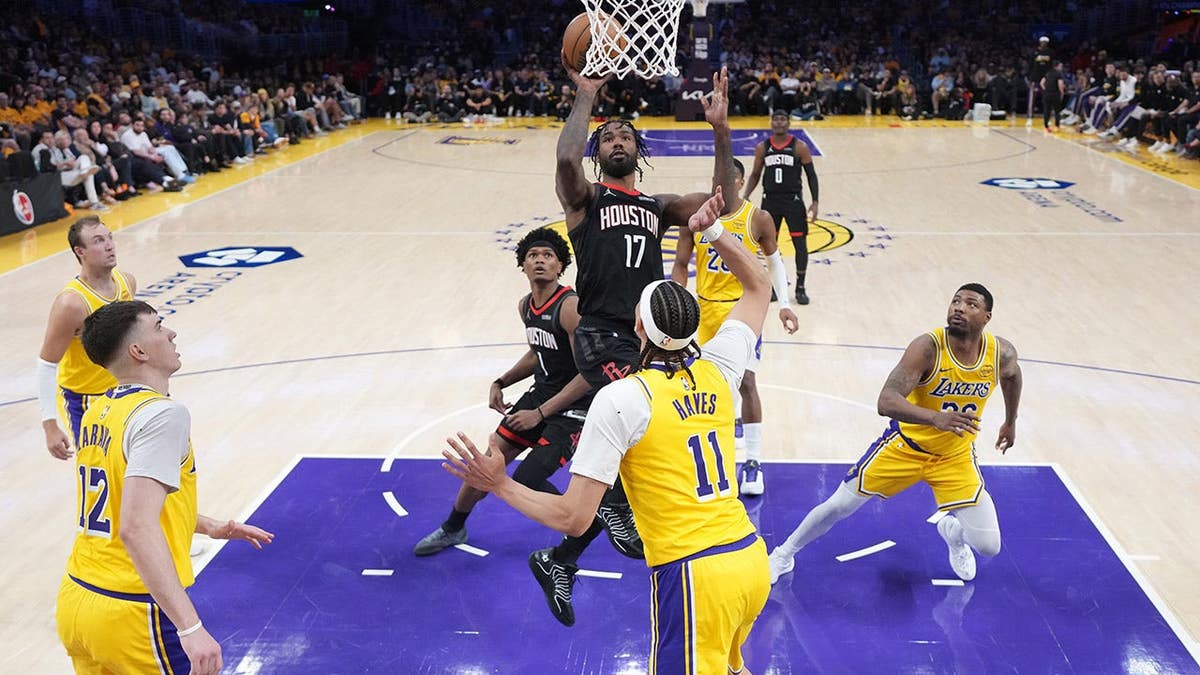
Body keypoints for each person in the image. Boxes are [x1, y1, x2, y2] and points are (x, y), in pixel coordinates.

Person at [444, 185, 772, 674]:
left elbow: (573, 518)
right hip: (750, 560)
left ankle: (566, 556)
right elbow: (759, 286)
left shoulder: (622, 399)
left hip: (694, 573)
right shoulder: (721, 368)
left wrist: (501, 483)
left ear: (638, 326)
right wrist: (716, 231)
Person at [413, 228, 642, 626]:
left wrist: (540, 414)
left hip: (575, 404)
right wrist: (503, 380)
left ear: (560, 265)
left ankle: (583, 519)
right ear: (522, 264)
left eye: (548, 255)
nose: (540, 259)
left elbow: (590, 373)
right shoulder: (527, 306)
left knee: (531, 478)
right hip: (541, 395)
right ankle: (454, 527)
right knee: (488, 460)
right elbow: (541, 353)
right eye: (533, 254)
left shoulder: (570, 307)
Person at [56, 300, 274, 675]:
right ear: (137, 351)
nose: (171, 333)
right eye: (159, 327)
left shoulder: (98, 411)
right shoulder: (162, 414)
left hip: (78, 599)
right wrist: (190, 627)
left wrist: (208, 526)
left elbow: (120, 505)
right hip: (133, 610)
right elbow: (136, 526)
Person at [767, 284, 1022, 584]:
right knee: (838, 505)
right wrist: (935, 418)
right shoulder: (928, 348)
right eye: (955, 301)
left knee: (989, 546)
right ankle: (783, 555)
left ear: (987, 317)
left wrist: (1010, 421)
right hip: (905, 447)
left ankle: (954, 534)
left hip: (954, 456)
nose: (959, 308)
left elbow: (1013, 375)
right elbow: (886, 401)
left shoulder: (1000, 353)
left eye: (970, 304)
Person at [671, 157, 798, 496]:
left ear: (740, 183)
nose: (723, 188)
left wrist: (784, 305)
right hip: (703, 311)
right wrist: (675, 298)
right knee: (702, 386)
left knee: (746, 382)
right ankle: (711, 456)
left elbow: (775, 263)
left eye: (730, 182)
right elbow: (681, 264)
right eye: (718, 183)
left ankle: (753, 461)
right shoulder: (695, 217)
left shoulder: (758, 218)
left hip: (744, 309)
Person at [37, 217, 138, 459]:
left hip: (126, 391)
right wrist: (49, 425)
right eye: (98, 241)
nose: (109, 245)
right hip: (87, 400)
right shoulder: (70, 304)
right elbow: (47, 365)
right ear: (79, 252)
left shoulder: (127, 282)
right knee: (98, 476)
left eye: (110, 237)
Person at [741, 109, 820, 305]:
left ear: (788, 123)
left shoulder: (799, 147)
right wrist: (746, 195)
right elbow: (755, 174)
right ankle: (775, 286)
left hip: (793, 202)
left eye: (782, 119)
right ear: (771, 123)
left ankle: (800, 287)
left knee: (800, 246)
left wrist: (815, 201)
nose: (779, 122)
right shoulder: (763, 147)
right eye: (775, 119)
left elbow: (811, 175)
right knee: (770, 247)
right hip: (770, 203)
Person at [1041, 61, 1066, 131]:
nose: (1061, 68)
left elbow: (1042, 83)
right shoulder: (1058, 74)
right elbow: (1060, 84)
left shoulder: (1048, 73)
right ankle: (1057, 126)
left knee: (1047, 110)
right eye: (1061, 66)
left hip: (1046, 94)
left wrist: (1046, 89)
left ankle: (1046, 126)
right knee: (1057, 111)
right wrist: (1062, 92)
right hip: (1055, 94)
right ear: (1057, 66)